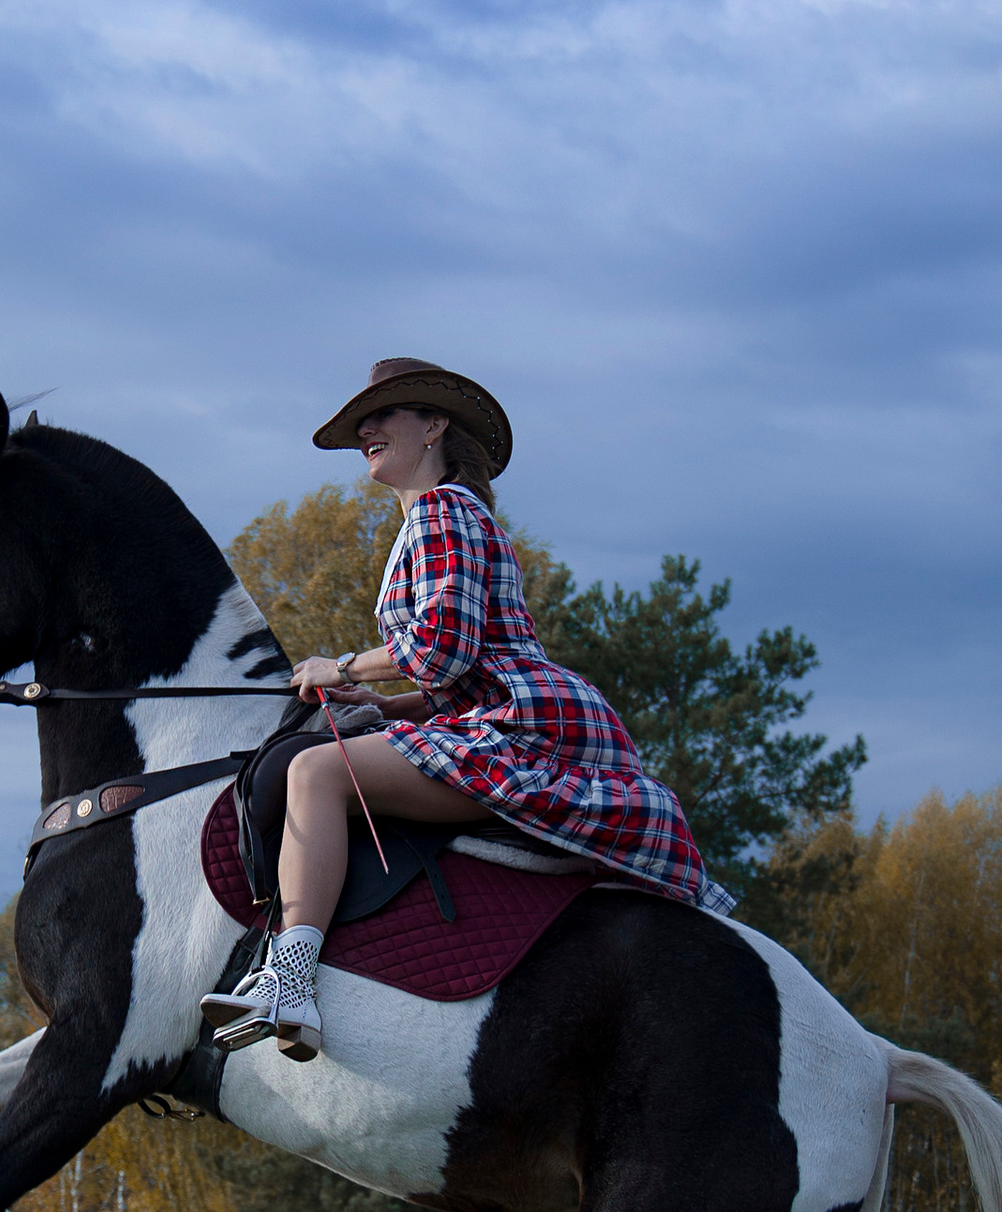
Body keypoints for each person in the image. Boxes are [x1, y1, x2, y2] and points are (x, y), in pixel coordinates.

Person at [202, 355, 733, 1060]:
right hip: (501, 714)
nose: (365, 431)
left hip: (521, 728)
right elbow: (458, 672)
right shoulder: (436, 519)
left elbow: (443, 650)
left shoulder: (442, 511)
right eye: (362, 422)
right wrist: (386, 705)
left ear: (434, 426)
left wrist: (341, 667)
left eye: (382, 415)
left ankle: (289, 984)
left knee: (315, 773)